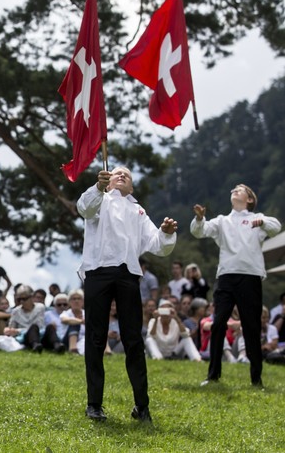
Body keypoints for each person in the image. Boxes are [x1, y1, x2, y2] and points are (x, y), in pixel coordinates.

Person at [78, 167, 178, 423]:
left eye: (127, 175)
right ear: (108, 180)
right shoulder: (99, 198)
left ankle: (142, 407)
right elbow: (84, 209)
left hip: (127, 275)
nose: (122, 175)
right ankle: (94, 405)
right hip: (97, 271)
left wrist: (166, 233)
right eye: (117, 173)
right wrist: (98, 188)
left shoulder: (138, 211)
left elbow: (156, 244)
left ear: (131, 188)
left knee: (134, 340)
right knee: (95, 338)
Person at [191, 183, 281, 387]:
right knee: (218, 323)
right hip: (226, 276)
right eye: (233, 189)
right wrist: (199, 218)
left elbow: (276, 227)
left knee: (251, 326)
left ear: (249, 199)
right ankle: (213, 375)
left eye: (240, 190)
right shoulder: (222, 221)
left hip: (250, 277)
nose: (234, 191)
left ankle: (256, 379)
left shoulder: (257, 219)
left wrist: (262, 221)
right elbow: (200, 231)